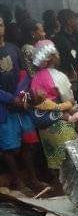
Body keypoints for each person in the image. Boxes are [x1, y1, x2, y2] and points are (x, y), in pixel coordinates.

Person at [0, 15, 45, 192]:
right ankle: (18, 181)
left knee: (30, 143)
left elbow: (24, 75)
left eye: (1, 25)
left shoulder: (13, 48)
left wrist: (22, 96)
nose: (0, 28)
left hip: (21, 106)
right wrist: (11, 99)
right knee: (9, 148)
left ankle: (33, 179)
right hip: (4, 109)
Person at [30, 40, 78, 171]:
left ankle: (61, 185)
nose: (58, 55)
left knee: (56, 162)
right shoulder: (58, 76)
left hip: (45, 128)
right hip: (61, 124)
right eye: (56, 52)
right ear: (51, 56)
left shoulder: (35, 78)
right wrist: (74, 113)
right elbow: (70, 101)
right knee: (72, 161)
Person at [53, 9, 78, 78]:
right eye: (75, 19)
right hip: (69, 74)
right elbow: (71, 55)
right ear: (69, 21)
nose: (77, 22)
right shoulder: (60, 39)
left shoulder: (76, 34)